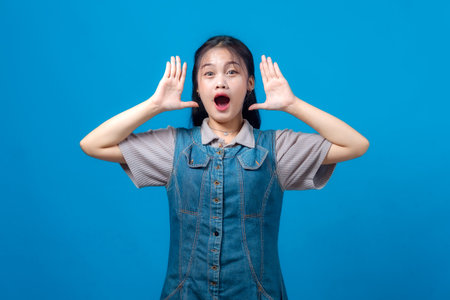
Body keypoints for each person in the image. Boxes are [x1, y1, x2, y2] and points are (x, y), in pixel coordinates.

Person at [80, 35, 369, 300]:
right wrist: (154, 105)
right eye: (209, 73)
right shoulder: (173, 148)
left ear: (250, 83)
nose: (221, 82)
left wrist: (292, 105)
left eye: (232, 71)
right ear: (197, 86)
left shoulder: (277, 149)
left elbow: (355, 145)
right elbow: (93, 144)